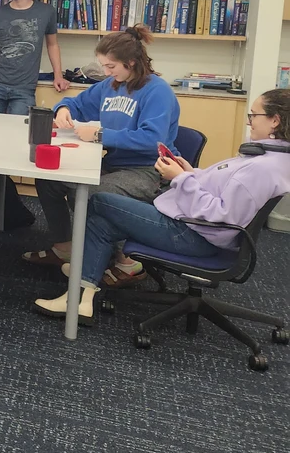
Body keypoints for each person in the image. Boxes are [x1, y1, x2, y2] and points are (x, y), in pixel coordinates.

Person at [35, 89, 290, 323]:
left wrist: (180, 179)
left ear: (275, 121)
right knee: (101, 222)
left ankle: (82, 289)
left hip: (195, 234)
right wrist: (191, 173)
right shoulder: (266, 158)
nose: (249, 120)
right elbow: (222, 189)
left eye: (254, 115)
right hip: (189, 221)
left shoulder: (260, 169)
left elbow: (221, 216)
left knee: (100, 200)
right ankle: (82, 297)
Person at [23, 25, 179, 279]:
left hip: (147, 170)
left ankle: (125, 260)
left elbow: (153, 139)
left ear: (131, 63)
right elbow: (76, 102)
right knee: (49, 179)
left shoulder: (157, 90)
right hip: (113, 165)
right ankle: (65, 247)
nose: (106, 72)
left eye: (111, 66)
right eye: (104, 66)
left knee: (89, 194)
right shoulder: (111, 85)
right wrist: (63, 109)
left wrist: (99, 135)